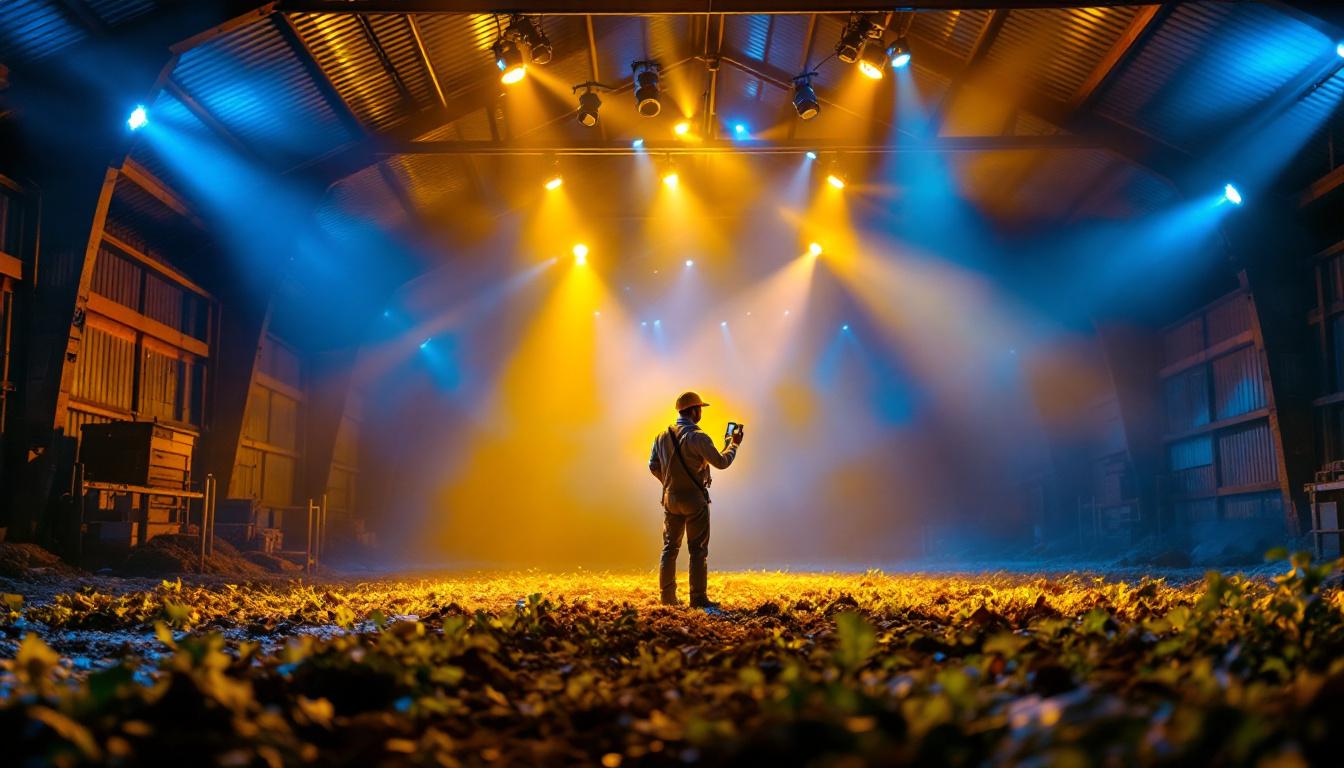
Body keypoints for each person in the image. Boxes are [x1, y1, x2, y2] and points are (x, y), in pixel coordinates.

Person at [647, 391, 744, 608]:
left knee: (669, 548)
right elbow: (721, 462)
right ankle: (698, 598)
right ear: (693, 410)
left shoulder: (661, 436)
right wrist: (733, 444)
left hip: (670, 499)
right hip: (694, 500)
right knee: (698, 551)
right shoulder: (698, 437)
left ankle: (667, 598)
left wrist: (670, 483)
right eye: (699, 408)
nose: (700, 412)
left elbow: (652, 465)